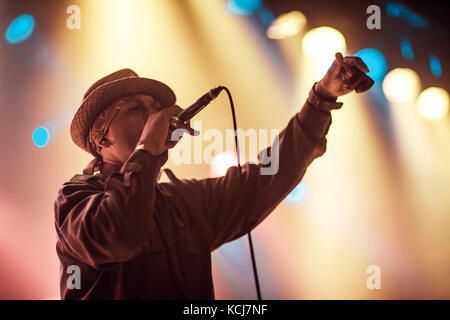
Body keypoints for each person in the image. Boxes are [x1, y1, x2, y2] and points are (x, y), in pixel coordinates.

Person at [54, 52, 374, 299]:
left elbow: (268, 175)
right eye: (136, 108)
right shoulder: (76, 199)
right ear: (102, 138)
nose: (155, 115)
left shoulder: (182, 202)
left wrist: (321, 98)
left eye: (156, 108)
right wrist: (147, 148)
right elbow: (120, 231)